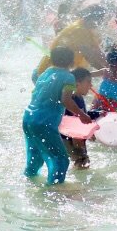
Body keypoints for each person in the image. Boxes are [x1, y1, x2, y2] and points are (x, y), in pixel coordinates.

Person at [23, 46, 90, 184]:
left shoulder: (47, 72)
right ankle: (54, 191)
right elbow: (66, 99)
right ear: (71, 62)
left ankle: (28, 182)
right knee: (61, 160)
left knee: (35, 157)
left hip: (28, 118)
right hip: (45, 122)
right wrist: (82, 114)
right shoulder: (69, 77)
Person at [35, 4, 107, 78]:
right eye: (100, 20)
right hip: (50, 73)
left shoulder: (86, 29)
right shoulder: (79, 30)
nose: (101, 23)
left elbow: (97, 52)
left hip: (56, 72)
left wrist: (109, 66)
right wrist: (107, 71)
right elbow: (89, 56)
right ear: (91, 18)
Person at [63, 66, 98, 170]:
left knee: (81, 165)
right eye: (88, 82)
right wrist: (80, 151)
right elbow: (74, 126)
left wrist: (99, 114)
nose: (91, 85)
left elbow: (84, 115)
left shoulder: (79, 98)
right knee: (82, 165)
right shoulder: (73, 100)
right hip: (72, 140)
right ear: (78, 83)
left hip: (77, 139)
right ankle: (79, 185)